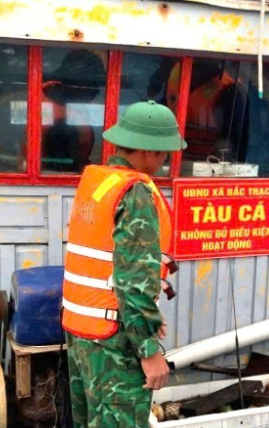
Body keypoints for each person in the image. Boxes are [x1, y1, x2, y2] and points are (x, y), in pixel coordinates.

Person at [61, 100, 186, 427]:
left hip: (82, 337)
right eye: (164, 153)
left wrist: (145, 317)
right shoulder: (135, 193)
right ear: (150, 152)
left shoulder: (97, 185)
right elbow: (133, 280)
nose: (164, 160)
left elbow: (106, 269)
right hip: (115, 343)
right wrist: (148, 350)